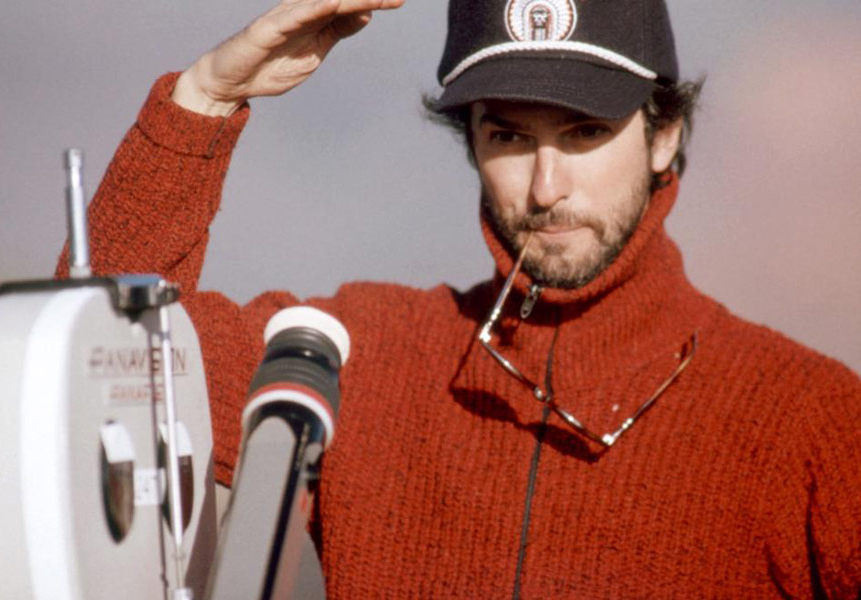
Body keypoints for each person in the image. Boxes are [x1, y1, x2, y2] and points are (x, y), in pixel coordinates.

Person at [58, 0, 861, 597]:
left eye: (585, 131)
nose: (546, 187)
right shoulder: (350, 354)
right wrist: (202, 101)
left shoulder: (811, 422)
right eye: (509, 135)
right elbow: (87, 366)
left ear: (664, 135)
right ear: (471, 141)